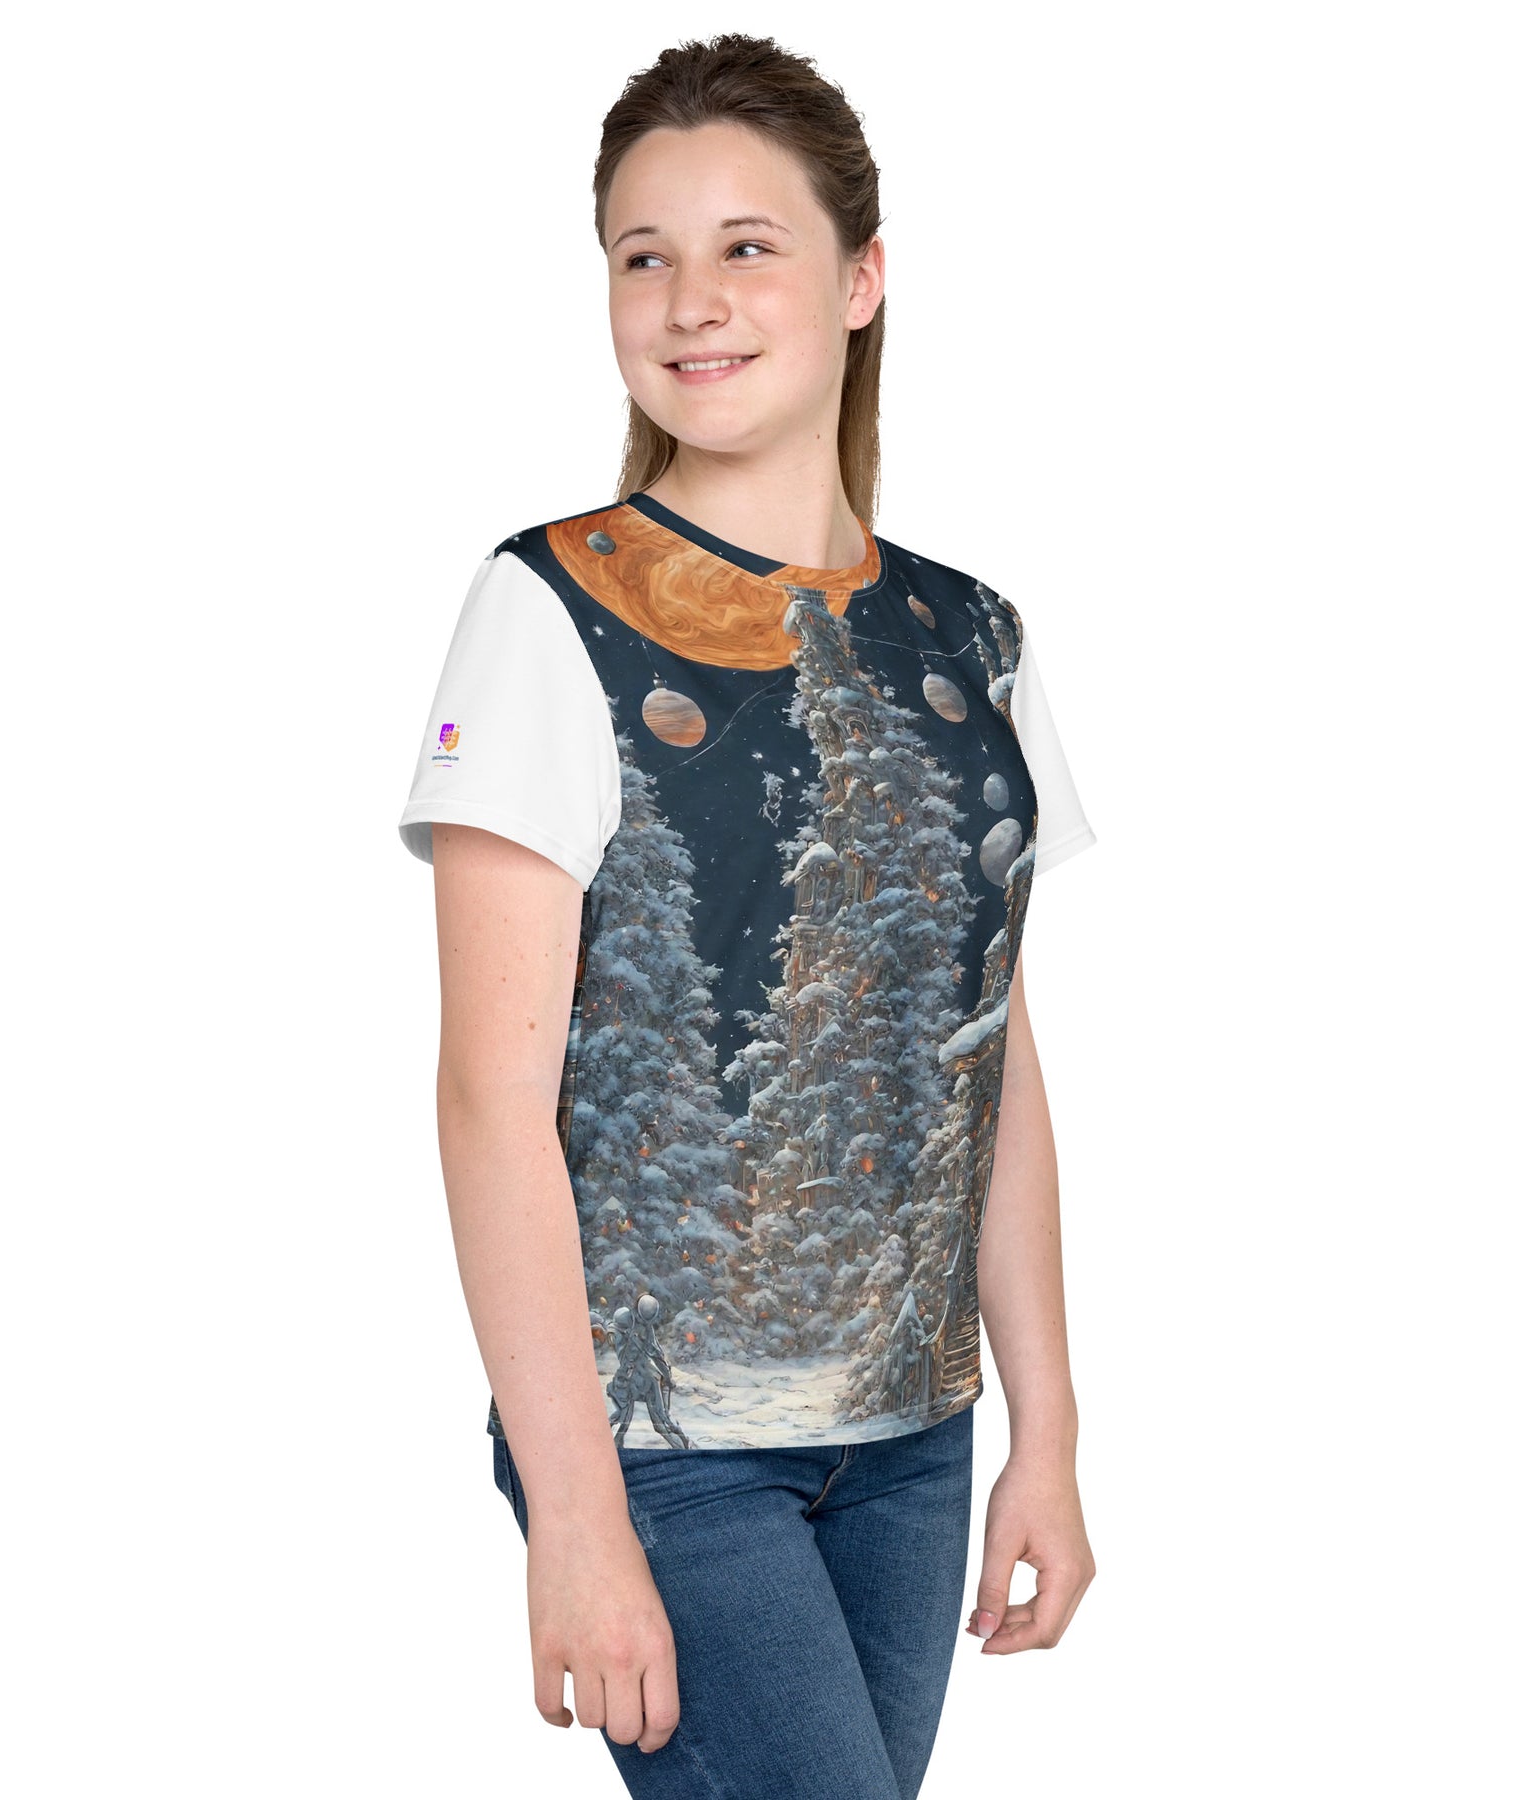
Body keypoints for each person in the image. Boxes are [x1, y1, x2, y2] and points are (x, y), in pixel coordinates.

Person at [395, 33, 1099, 1799]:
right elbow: (491, 1098)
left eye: (747, 247)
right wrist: (576, 1515)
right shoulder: (549, 609)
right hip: (664, 1447)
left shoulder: (974, 639)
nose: (690, 301)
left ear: (862, 279)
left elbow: (991, 1057)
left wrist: (1048, 1429)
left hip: (916, 1442)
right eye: (643, 256)